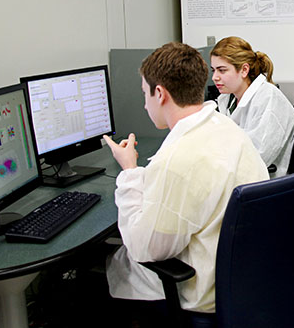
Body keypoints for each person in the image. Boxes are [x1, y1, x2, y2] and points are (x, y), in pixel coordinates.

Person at [103, 42, 269, 319]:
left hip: (202, 289)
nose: (144, 104)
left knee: (110, 264)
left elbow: (146, 249)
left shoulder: (178, 160)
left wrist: (130, 173)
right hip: (244, 274)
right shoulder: (224, 126)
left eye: (145, 93)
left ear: (160, 93)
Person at [210, 36, 294, 178]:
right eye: (213, 70)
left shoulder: (267, 98)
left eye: (222, 70)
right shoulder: (230, 99)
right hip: (242, 174)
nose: (215, 77)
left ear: (244, 70)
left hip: (263, 183)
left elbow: (258, 156)